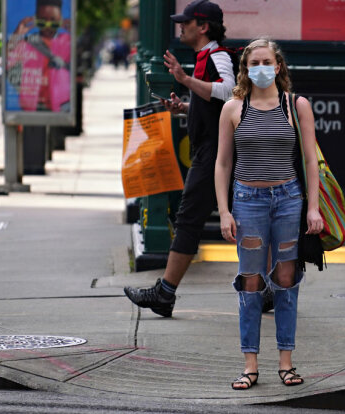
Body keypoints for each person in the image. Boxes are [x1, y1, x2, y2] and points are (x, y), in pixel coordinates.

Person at [214, 38, 323, 390]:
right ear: (245, 69)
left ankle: (286, 363)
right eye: (253, 62)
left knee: (287, 279)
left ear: (278, 66)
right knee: (250, 280)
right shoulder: (233, 108)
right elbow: (222, 163)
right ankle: (250, 364)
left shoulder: (296, 105)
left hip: (288, 198)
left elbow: (311, 160)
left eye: (267, 61)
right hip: (248, 199)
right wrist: (224, 211)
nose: (260, 67)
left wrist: (314, 207)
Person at [124, 0, 236, 317]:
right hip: (213, 150)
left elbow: (229, 92)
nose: (180, 26)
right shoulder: (205, 57)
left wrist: (186, 81)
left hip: (216, 153)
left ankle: (165, 293)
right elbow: (214, 104)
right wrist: (187, 107)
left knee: (189, 218)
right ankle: (269, 289)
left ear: (203, 27)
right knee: (242, 219)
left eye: (186, 22)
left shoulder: (217, 56)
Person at [6, 0, 71, 112]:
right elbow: (7, 61)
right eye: (42, 22)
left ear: (61, 21)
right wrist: (17, 35)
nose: (48, 26)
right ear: (35, 20)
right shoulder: (27, 43)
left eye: (54, 22)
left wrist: (72, 30)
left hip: (61, 106)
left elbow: (77, 61)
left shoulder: (66, 41)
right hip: (33, 106)